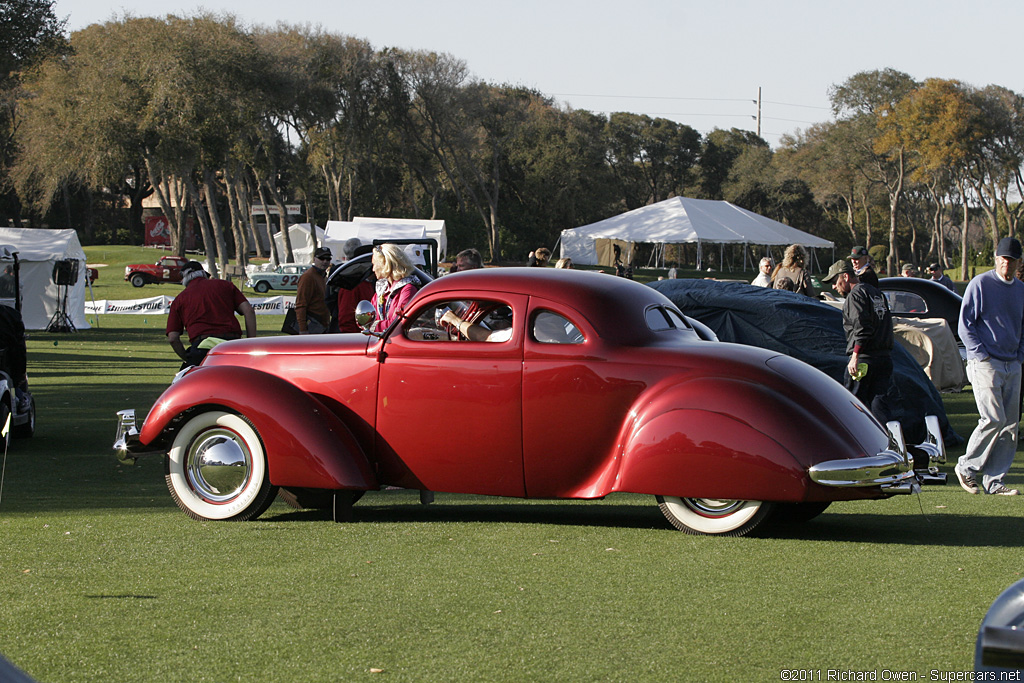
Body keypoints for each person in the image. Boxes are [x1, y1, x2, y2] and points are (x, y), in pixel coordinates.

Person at [955, 237, 1024, 496]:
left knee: (1009, 426)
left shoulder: (1020, 289)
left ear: (1019, 262)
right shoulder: (980, 284)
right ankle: (966, 466)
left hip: (1012, 364)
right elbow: (965, 324)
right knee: (993, 419)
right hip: (985, 363)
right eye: (1003, 259)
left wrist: (1019, 356)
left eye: (1012, 260)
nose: (1007, 264)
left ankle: (994, 482)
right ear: (996, 259)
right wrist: (981, 355)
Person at [820, 259, 894, 424]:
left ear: (845, 276)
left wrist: (855, 355)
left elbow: (862, 327)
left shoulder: (856, 295)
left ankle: (858, 445)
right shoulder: (876, 293)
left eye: (834, 281)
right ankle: (888, 442)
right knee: (879, 404)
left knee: (853, 405)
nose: (833, 287)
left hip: (864, 359)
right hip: (884, 357)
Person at [166, 261, 256, 369]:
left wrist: (188, 358)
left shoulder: (179, 299)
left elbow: (173, 338)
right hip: (231, 345)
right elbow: (249, 311)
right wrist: (250, 344)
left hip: (201, 349)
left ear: (184, 278)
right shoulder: (225, 285)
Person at [371, 243, 421, 331]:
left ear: (384, 264)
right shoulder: (382, 289)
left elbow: (397, 324)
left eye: (374, 264)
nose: (373, 269)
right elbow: (370, 317)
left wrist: (374, 326)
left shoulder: (408, 289)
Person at [295, 247, 332, 334]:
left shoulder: (323, 277)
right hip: (312, 326)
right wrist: (303, 329)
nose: (325, 261)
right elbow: (301, 305)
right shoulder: (308, 277)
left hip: (322, 326)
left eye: (328, 259)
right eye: (322, 258)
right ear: (314, 259)